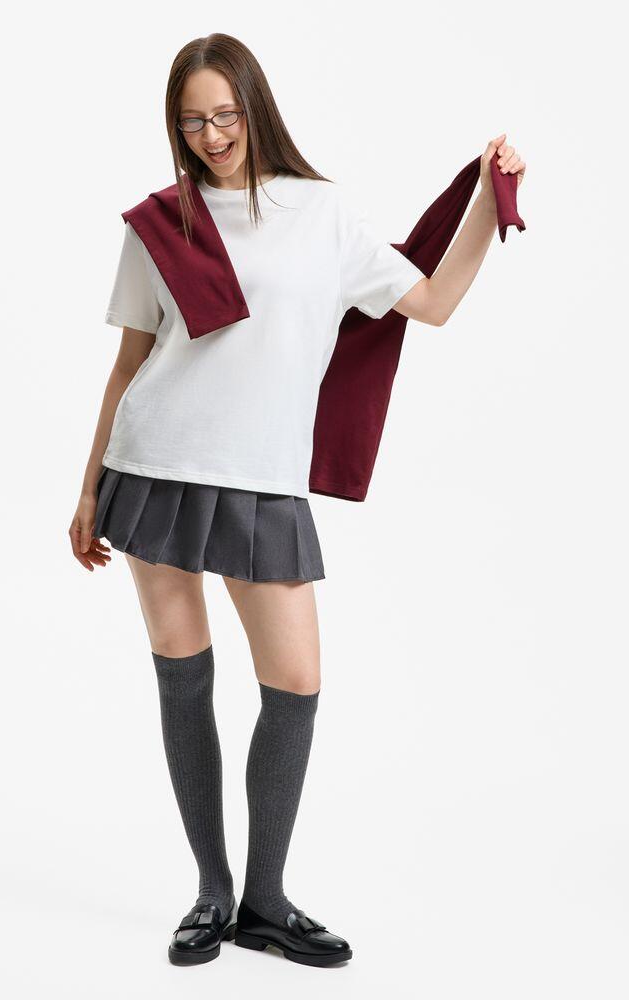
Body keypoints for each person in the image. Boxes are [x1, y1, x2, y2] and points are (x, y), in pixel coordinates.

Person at [68, 32, 526, 969]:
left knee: (295, 687)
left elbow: (434, 302)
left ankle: (265, 902)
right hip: (152, 469)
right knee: (183, 678)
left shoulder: (320, 214)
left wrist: (489, 194)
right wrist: (86, 489)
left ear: (255, 108)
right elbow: (127, 364)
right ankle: (212, 894)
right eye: (192, 121)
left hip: (262, 481)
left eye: (225, 115)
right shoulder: (160, 224)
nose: (212, 135)